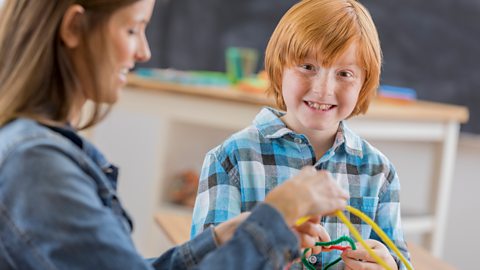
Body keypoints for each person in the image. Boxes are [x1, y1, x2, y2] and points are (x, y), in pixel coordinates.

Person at [0, 0, 351, 269]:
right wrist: (274, 217)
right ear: (74, 27)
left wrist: (220, 239)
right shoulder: (36, 166)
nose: (144, 51)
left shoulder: (39, 153)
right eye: (133, 30)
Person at [191, 0, 411, 269]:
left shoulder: (380, 173)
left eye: (344, 73)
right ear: (278, 67)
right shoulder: (230, 159)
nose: (323, 89)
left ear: (364, 84)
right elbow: (207, 263)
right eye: (308, 67)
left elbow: (399, 259)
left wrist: (389, 265)